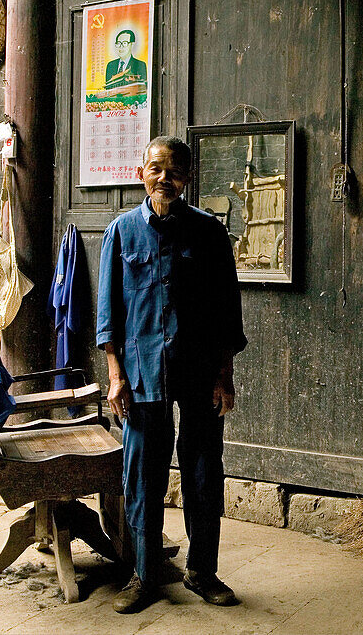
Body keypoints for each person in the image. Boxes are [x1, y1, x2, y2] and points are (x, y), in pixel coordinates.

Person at [96, 136, 246, 614]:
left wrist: (224, 375)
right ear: (142, 172)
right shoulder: (121, 233)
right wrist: (115, 374)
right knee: (142, 477)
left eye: (176, 171)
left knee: (204, 474)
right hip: (141, 375)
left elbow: (227, 313)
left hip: (200, 372)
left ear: (187, 178)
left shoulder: (209, 233)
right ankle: (145, 574)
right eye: (157, 168)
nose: (166, 178)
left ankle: (203, 571)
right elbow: (108, 316)